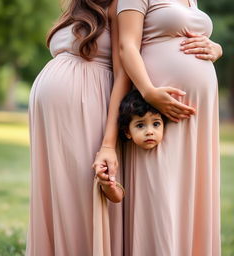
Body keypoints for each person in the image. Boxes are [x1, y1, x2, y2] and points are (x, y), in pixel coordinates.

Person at [93, 0, 223, 255]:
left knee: (191, 195)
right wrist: (149, 92)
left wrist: (216, 48)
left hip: (198, 119)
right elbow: (126, 46)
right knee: (160, 197)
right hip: (154, 112)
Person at [25, 0, 131, 255]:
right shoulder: (79, 7)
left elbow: (125, 70)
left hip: (90, 105)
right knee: (57, 193)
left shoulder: (122, 6)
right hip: (52, 120)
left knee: (84, 189)